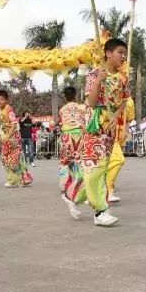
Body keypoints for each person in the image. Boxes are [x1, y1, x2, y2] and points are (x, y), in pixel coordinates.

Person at [77, 38, 129, 228]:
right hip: (94, 126)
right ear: (108, 53)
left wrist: (116, 114)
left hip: (109, 129)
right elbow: (90, 103)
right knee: (94, 168)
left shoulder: (123, 78)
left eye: (125, 53)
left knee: (102, 168)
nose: (123, 57)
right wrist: (99, 80)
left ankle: (74, 195)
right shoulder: (94, 74)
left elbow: (125, 99)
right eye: (120, 52)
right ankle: (100, 210)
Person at [57, 86, 86, 218]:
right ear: (75, 96)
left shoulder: (62, 109)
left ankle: (65, 188)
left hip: (65, 138)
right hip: (78, 137)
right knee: (81, 167)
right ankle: (72, 195)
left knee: (65, 164)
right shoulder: (81, 107)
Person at [0, 91, 32, 188]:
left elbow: (14, 123)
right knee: (11, 157)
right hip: (5, 136)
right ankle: (23, 178)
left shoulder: (9, 110)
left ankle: (13, 180)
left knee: (10, 158)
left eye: (2, 99)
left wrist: (8, 136)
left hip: (12, 137)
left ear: (6, 100)